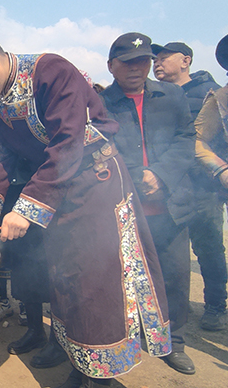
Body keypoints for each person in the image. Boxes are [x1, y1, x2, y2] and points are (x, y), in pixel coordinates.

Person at [0, 27, 170, 388]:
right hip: (58, 195)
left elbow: (68, 143)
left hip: (97, 187)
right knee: (66, 280)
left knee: (95, 285)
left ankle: (103, 375)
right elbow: (1, 158)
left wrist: (27, 208)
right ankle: (80, 366)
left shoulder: (52, 71)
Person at [100, 32, 196, 375]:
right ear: (111, 66)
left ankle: (174, 342)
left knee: (174, 276)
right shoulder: (101, 104)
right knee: (127, 280)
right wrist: (136, 177)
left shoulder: (172, 96)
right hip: (126, 207)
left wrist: (161, 174)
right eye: (127, 62)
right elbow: (103, 151)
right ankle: (134, 339)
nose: (137, 68)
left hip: (171, 203)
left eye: (143, 61)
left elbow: (186, 139)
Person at [153, 41, 226, 331]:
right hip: (168, 185)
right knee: (166, 250)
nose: (157, 63)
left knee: (208, 247)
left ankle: (216, 305)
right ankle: (167, 310)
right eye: (154, 59)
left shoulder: (210, 94)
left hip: (203, 186)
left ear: (186, 60)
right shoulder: (155, 96)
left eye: (163, 58)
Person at [192, 33, 228, 332]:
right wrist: (222, 170)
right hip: (214, 188)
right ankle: (216, 305)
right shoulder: (222, 97)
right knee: (211, 247)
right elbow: (198, 140)